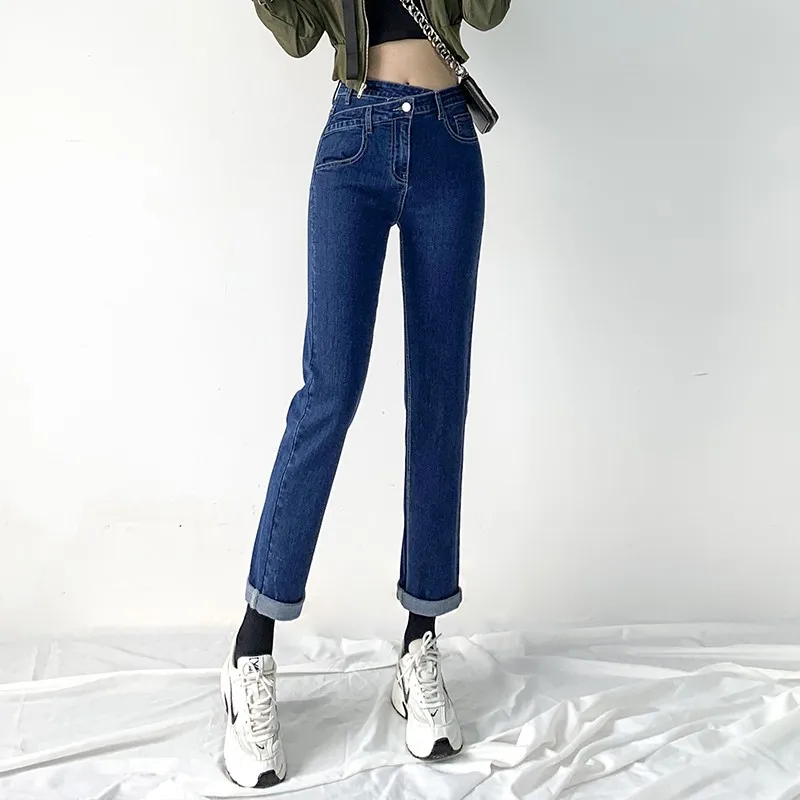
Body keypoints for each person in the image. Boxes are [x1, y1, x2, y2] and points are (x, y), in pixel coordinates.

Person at [220, 0, 510, 788]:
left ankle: (420, 645)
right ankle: (251, 650)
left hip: (447, 141)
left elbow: (489, 12)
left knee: (439, 400)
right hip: (355, 138)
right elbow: (296, 34)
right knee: (329, 394)